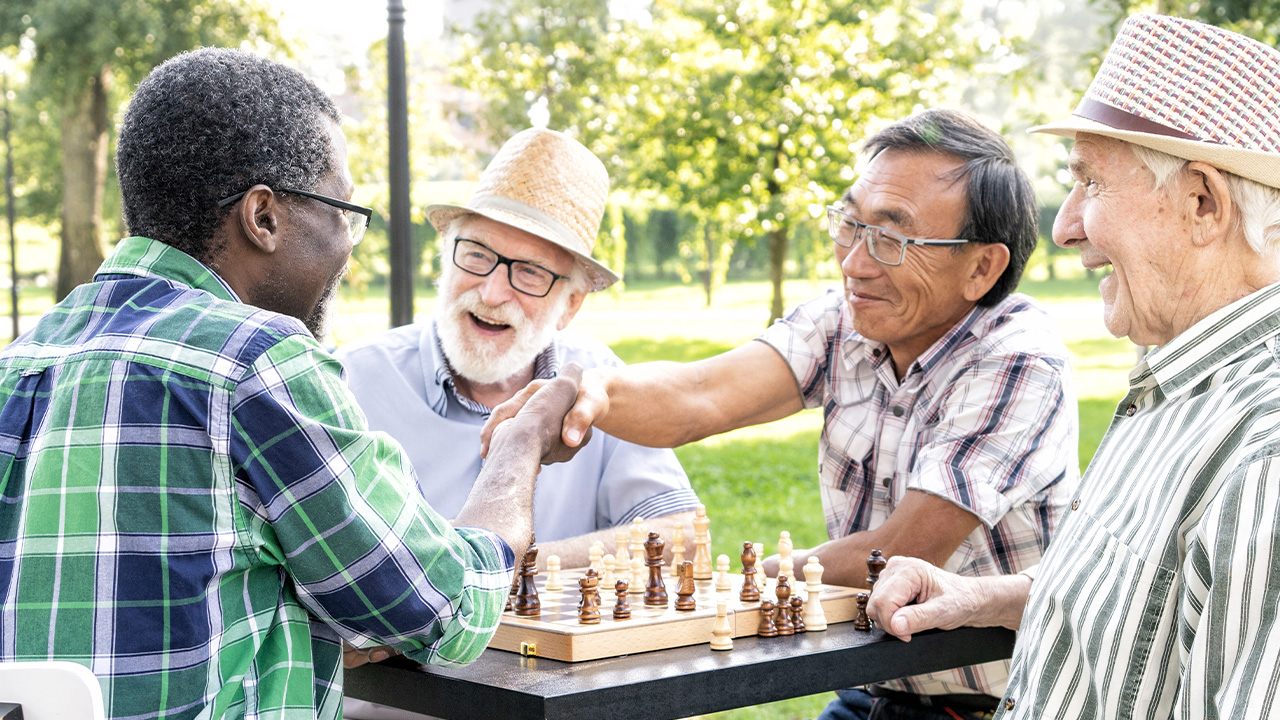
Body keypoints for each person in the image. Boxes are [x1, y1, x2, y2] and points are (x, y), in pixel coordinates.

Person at [0, 48, 581, 720]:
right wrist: (520, 444)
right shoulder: (255, 360)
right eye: (342, 212)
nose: (348, 245)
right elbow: (439, 607)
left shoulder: (19, 362)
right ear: (264, 218)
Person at [486, 108, 1080, 718]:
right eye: (850, 224)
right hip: (880, 690)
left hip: (1006, 706)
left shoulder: (1018, 362)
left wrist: (745, 578)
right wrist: (589, 392)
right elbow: (702, 394)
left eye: (892, 239)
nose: (854, 263)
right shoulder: (847, 320)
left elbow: (902, 551)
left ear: (981, 267)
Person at [866, 14, 1280, 719]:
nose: (1062, 228)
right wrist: (983, 598)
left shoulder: (1263, 457)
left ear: (1203, 203)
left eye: (1091, 183)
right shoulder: (1184, 384)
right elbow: (1154, 606)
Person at [336, 128, 699, 570]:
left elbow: (683, 535)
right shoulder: (351, 381)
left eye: (530, 272)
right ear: (445, 257)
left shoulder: (599, 383)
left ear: (570, 305)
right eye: (476, 255)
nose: (492, 294)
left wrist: (499, 570)